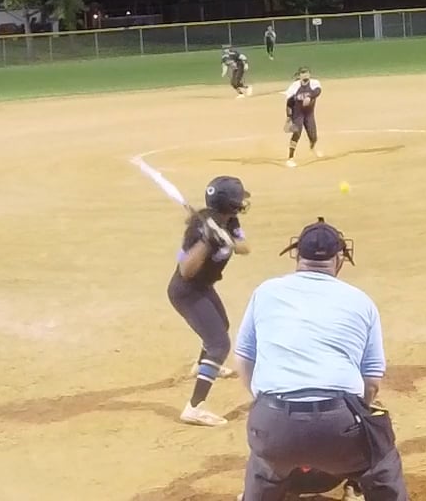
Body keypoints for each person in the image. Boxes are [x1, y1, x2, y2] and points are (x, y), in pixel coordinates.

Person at [234, 218, 403, 501]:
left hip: (272, 423)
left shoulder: (265, 292)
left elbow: (243, 358)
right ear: (339, 258)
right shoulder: (361, 301)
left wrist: (267, 402)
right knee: (380, 458)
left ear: (297, 255)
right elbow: (371, 383)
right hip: (339, 426)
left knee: (264, 466)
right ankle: (358, 487)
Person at [170, 175, 252, 427]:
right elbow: (186, 270)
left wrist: (228, 240)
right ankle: (195, 408)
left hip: (203, 287)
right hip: (186, 291)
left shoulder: (229, 222)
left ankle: (200, 365)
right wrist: (206, 242)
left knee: (222, 325)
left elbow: (245, 247)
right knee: (219, 345)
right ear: (230, 203)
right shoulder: (199, 229)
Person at [284, 68, 324, 167]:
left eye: (306, 72)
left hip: (309, 114)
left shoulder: (314, 83)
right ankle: (290, 158)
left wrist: (309, 97)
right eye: (302, 73)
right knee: (297, 133)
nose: (305, 74)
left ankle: (312, 147)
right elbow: (289, 103)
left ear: (310, 74)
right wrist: (289, 117)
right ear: (299, 75)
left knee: (313, 137)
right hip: (298, 113)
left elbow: (318, 91)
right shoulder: (294, 86)